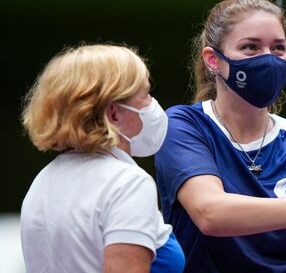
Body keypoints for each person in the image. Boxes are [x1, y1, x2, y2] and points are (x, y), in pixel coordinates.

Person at [154, 0, 286, 272]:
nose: (268, 59)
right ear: (213, 60)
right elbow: (211, 214)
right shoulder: (183, 125)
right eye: (250, 47)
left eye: (278, 48)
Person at [20, 44, 185, 273]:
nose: (152, 103)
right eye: (145, 94)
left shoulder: (42, 181)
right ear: (114, 113)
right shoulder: (127, 183)